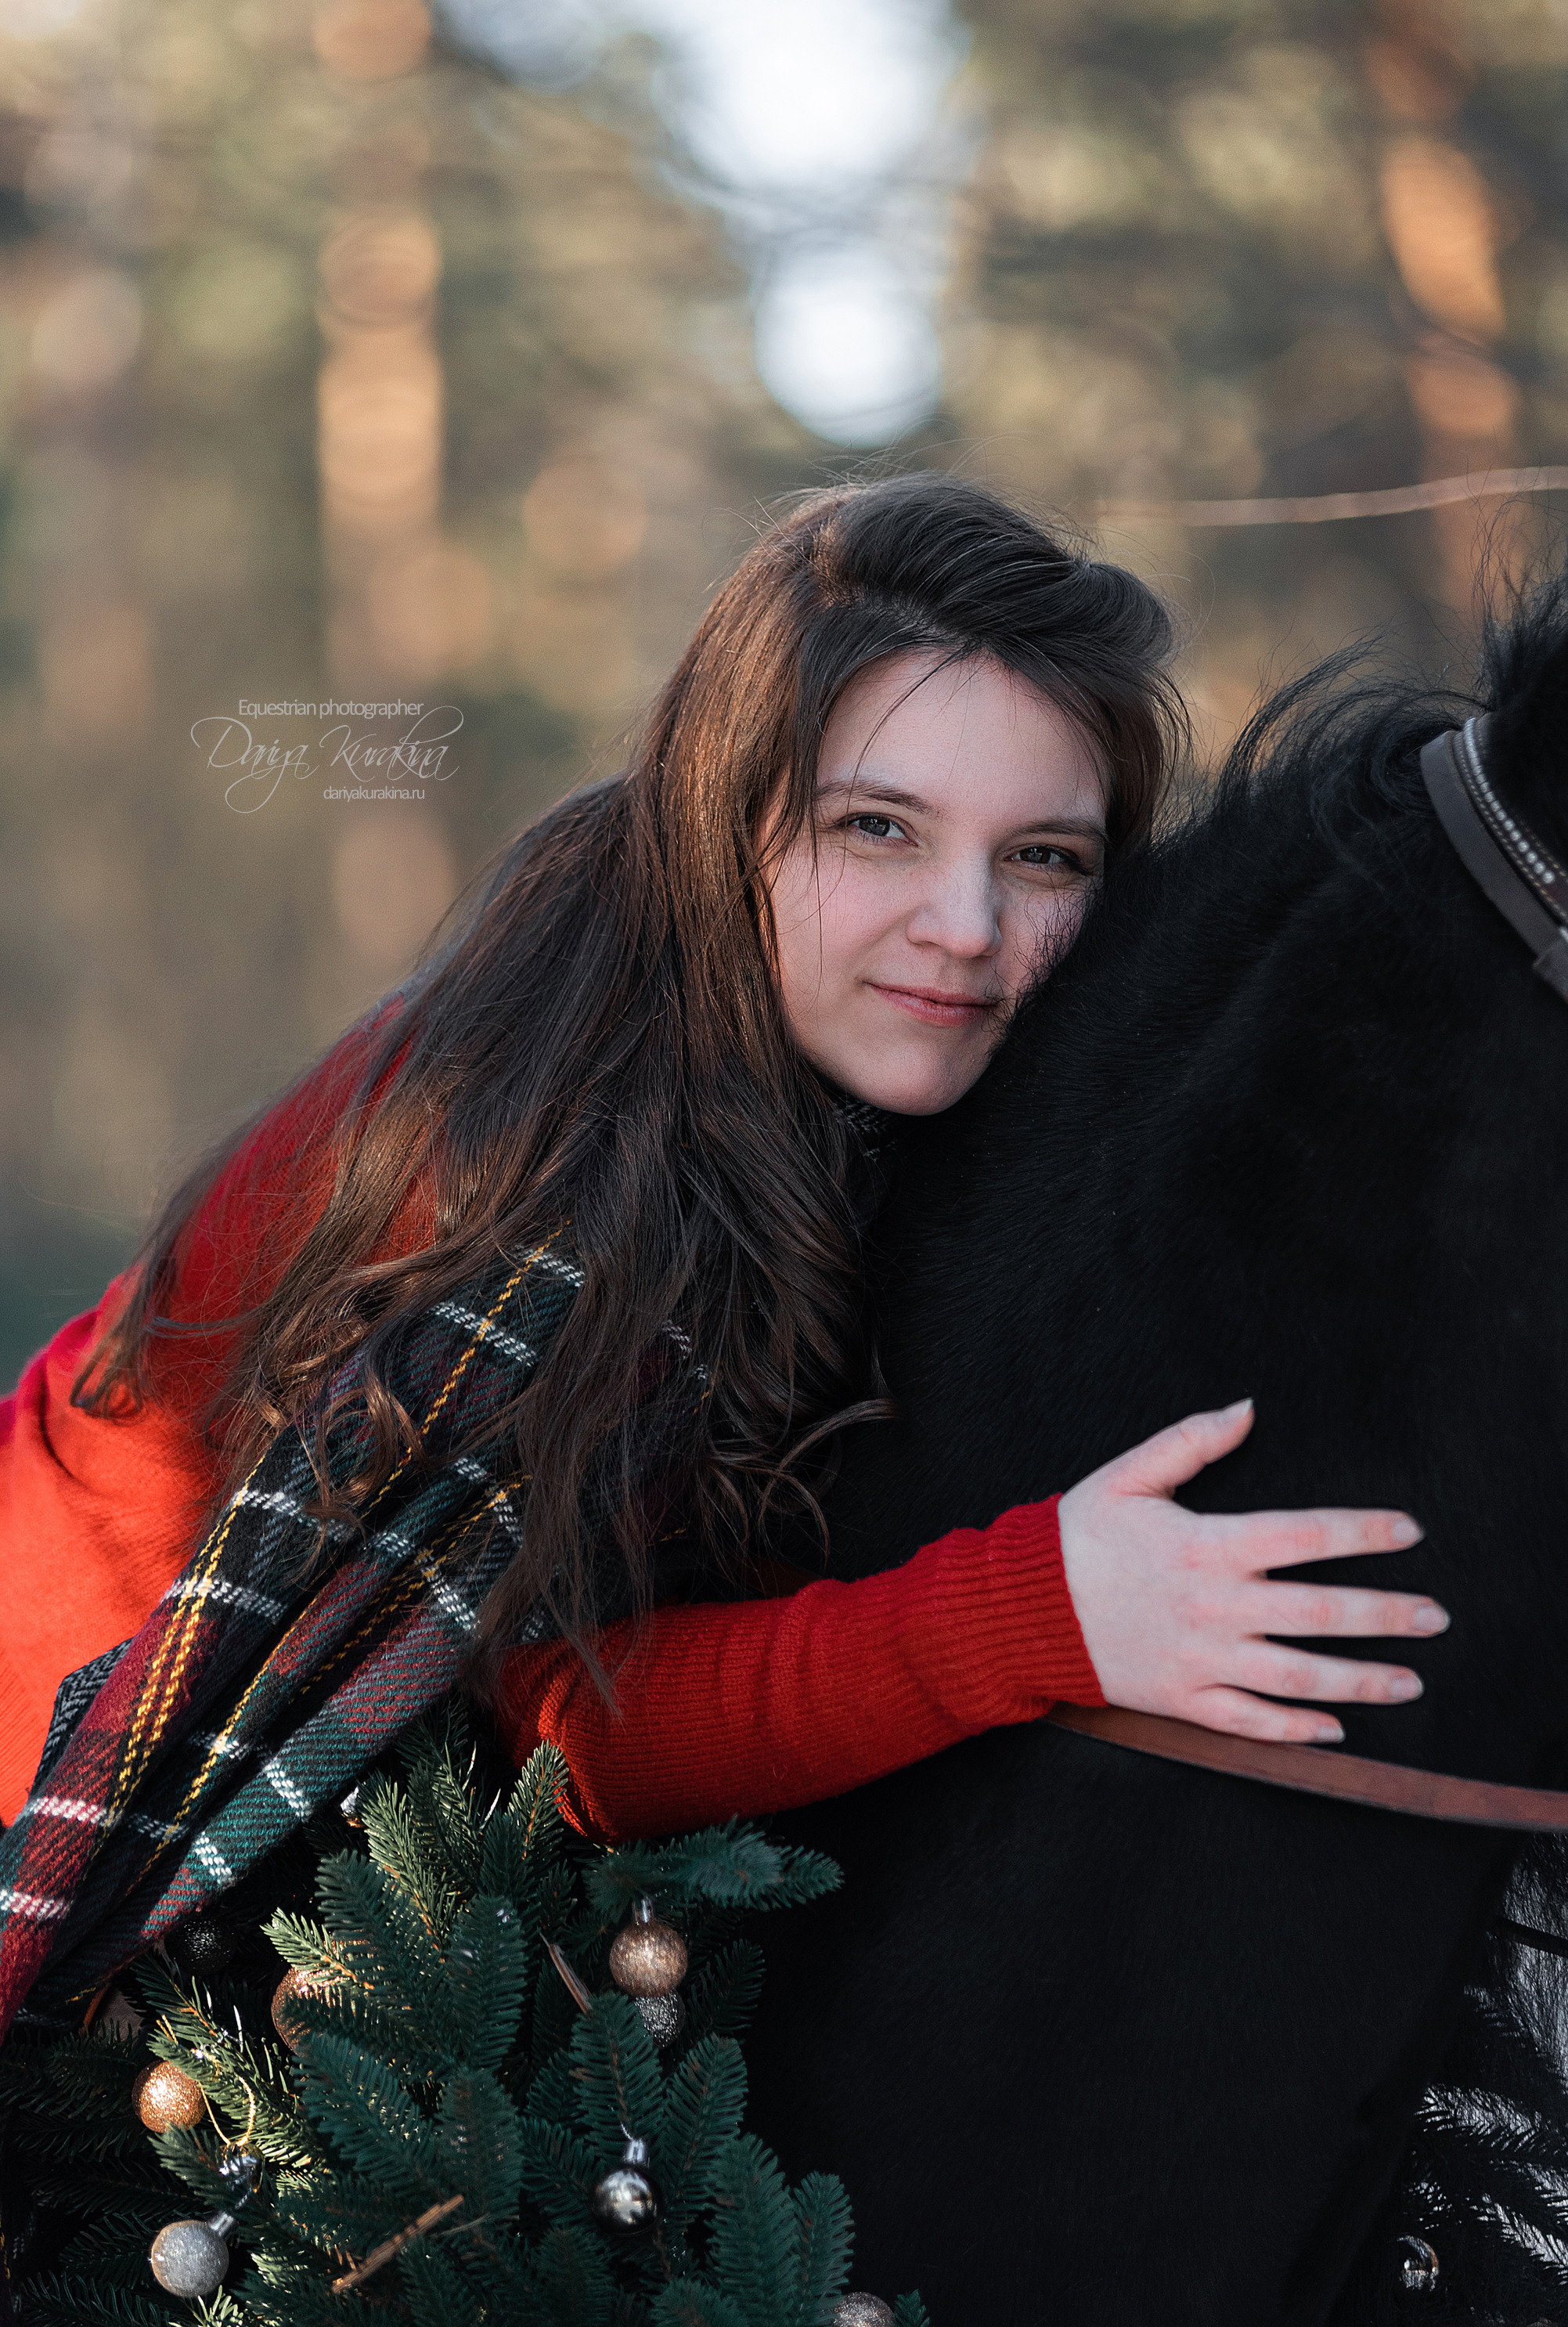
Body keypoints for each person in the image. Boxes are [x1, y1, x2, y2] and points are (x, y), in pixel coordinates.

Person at [0, 474, 1447, 1847]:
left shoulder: (860, 1078)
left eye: (1044, 858)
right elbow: (547, 1732)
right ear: (726, 821)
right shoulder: (535, 1158)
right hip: (91, 1768)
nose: (967, 927)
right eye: (876, 828)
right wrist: (1037, 1612)